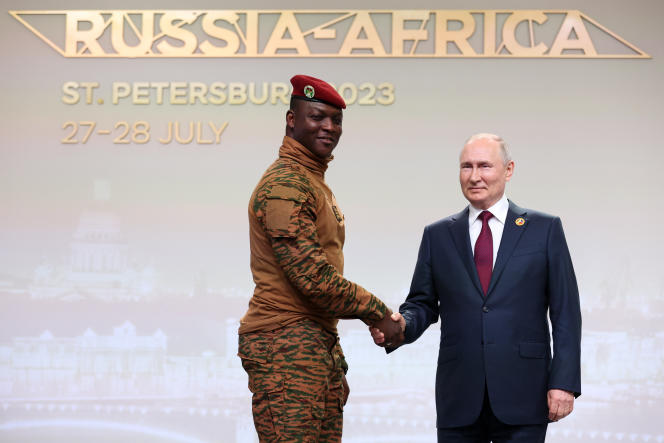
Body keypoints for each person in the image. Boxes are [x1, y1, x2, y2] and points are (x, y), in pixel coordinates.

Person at [371, 133, 581, 442]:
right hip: (459, 396)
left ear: (508, 170)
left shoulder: (544, 229)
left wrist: (563, 382)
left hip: (524, 393)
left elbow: (566, 314)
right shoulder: (438, 235)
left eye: (484, 166)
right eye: (466, 167)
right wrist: (401, 327)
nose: (474, 176)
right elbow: (422, 304)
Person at [238, 74, 402, 443]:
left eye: (336, 120)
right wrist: (377, 312)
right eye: (317, 117)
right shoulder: (286, 185)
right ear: (291, 120)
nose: (329, 127)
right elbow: (312, 277)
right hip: (285, 343)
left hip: (312, 342)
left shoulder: (310, 181)